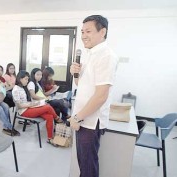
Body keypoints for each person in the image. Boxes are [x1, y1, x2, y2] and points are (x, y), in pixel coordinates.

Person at [70, 15, 118, 177]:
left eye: (88, 31)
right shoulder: (89, 54)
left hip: (90, 121)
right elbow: (81, 85)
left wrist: (77, 118)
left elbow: (101, 96)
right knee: (84, 163)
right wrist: (75, 74)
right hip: (83, 117)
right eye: (82, 31)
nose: (83, 35)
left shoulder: (106, 56)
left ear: (102, 32)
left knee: (88, 166)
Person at [12, 70, 63, 145]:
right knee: (48, 107)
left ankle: (50, 138)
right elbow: (19, 105)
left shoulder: (23, 87)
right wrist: (32, 104)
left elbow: (27, 100)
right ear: (20, 79)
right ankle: (58, 119)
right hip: (24, 111)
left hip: (29, 107)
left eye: (28, 79)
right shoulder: (16, 89)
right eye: (26, 79)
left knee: (49, 116)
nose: (27, 81)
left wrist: (34, 104)